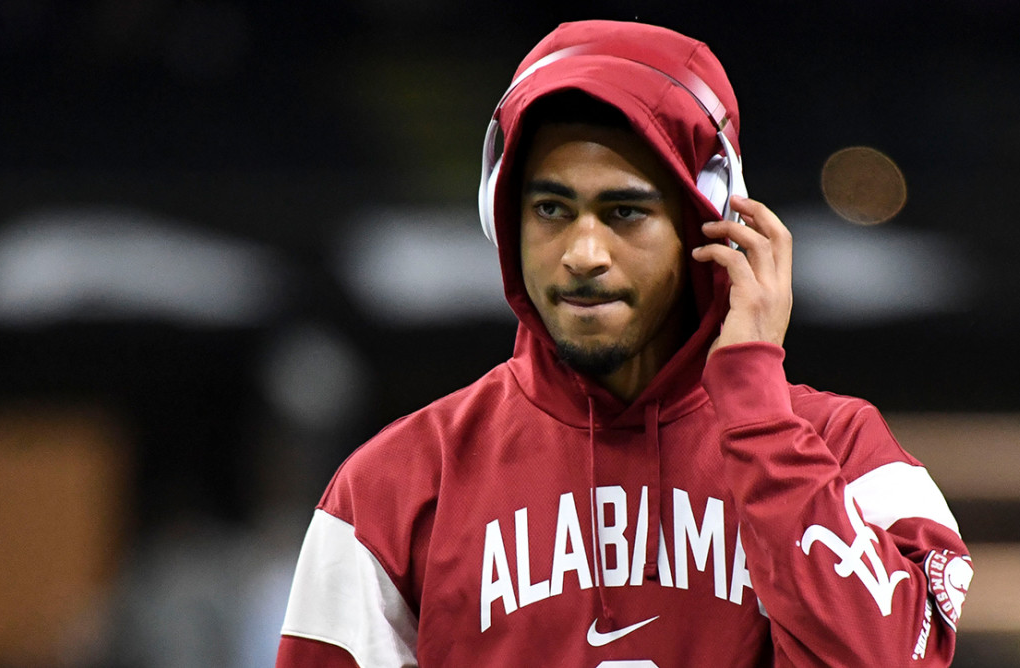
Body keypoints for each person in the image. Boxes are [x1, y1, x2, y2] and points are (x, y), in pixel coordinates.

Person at [277, 19, 971, 667]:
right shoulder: (387, 493)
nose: (583, 252)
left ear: (714, 224)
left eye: (625, 212)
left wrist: (758, 411)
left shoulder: (852, 457)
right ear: (503, 221)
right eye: (550, 209)